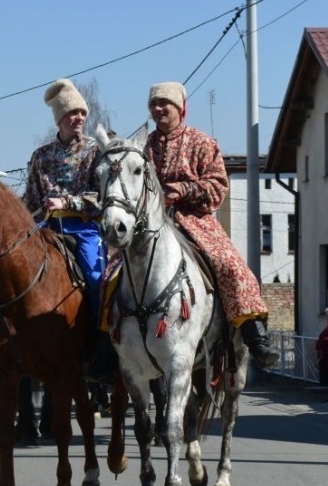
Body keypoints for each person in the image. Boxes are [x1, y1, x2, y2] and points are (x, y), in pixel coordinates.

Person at [144, 81, 279, 369]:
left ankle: (254, 335)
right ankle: (109, 344)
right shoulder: (147, 146)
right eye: (153, 105)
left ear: (180, 107)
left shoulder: (202, 142)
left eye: (163, 104)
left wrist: (185, 190)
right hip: (155, 220)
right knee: (114, 268)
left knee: (231, 266)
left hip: (195, 219)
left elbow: (218, 185)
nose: (157, 109)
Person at [22, 78, 114, 386]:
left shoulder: (95, 152)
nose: (79, 119)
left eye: (82, 113)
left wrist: (69, 200)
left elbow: (101, 198)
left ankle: (102, 343)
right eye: (72, 114)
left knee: (95, 276)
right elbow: (30, 201)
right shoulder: (41, 156)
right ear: (59, 119)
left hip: (82, 227)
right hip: (45, 227)